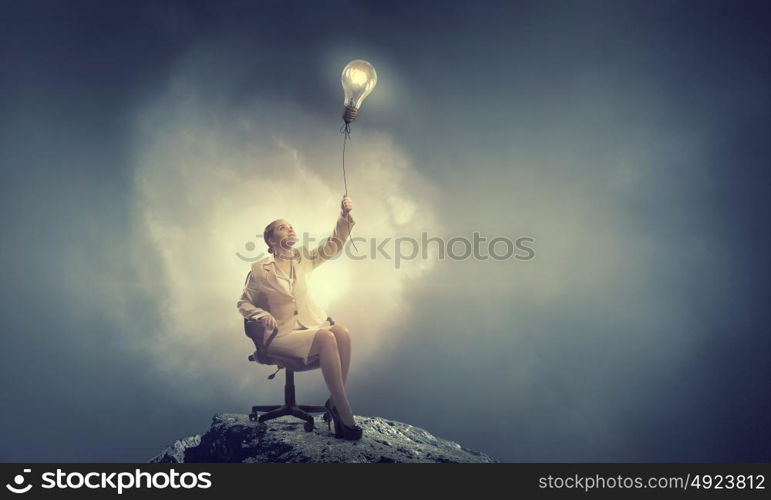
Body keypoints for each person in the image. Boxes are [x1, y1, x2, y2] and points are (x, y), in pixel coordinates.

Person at [237, 196, 362, 440]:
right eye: (283, 227)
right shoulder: (259, 270)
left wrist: (344, 216)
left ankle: (335, 403)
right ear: (271, 240)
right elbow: (243, 303)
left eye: (291, 225)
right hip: (278, 335)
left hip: (306, 327)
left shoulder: (303, 257)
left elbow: (333, 245)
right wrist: (261, 314)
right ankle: (345, 415)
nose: (291, 228)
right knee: (327, 337)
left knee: (342, 333)